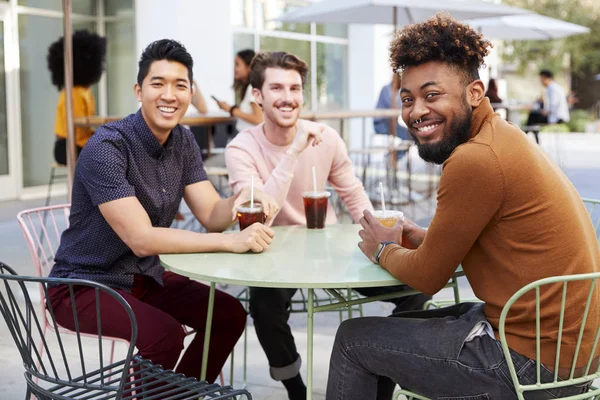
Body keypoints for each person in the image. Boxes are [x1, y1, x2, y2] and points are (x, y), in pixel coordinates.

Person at [326, 14, 599, 399]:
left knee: (354, 339)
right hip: (565, 352)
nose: (416, 111)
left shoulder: (475, 159)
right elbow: (468, 241)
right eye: (407, 99)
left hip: (533, 366)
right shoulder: (501, 136)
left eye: (432, 95)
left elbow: (427, 277)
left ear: (474, 93)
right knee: (400, 324)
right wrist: (419, 237)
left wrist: (383, 249)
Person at [47, 39, 280, 384]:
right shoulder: (106, 147)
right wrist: (231, 242)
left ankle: (178, 395)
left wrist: (244, 197)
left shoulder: (183, 141)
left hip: (144, 277)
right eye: (158, 83)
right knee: (164, 335)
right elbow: (142, 239)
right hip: (85, 284)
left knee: (228, 314)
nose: (169, 95)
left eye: (180, 85)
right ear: (139, 91)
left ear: (189, 93)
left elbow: (213, 214)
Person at [225, 51, 430, 400]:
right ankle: (295, 388)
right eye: (277, 88)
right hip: (274, 252)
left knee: (418, 287)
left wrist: (381, 241)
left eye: (295, 88)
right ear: (257, 95)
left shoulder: (326, 138)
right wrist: (292, 153)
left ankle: (384, 377)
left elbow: (353, 194)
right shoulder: (241, 148)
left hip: (330, 248)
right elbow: (259, 212)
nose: (288, 97)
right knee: (263, 305)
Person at [47, 30, 106, 165]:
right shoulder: (73, 93)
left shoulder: (84, 91)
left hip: (75, 144)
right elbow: (78, 127)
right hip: (67, 147)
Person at [214, 49, 263, 133]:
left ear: (248, 67)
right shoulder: (248, 88)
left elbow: (259, 119)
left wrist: (231, 110)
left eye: (237, 64)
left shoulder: (252, 89)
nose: (234, 68)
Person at [373, 74, 409, 140]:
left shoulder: (399, 92)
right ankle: (397, 150)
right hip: (381, 124)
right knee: (407, 135)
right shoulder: (386, 89)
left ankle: (399, 150)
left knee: (409, 134)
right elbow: (392, 106)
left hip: (393, 124)